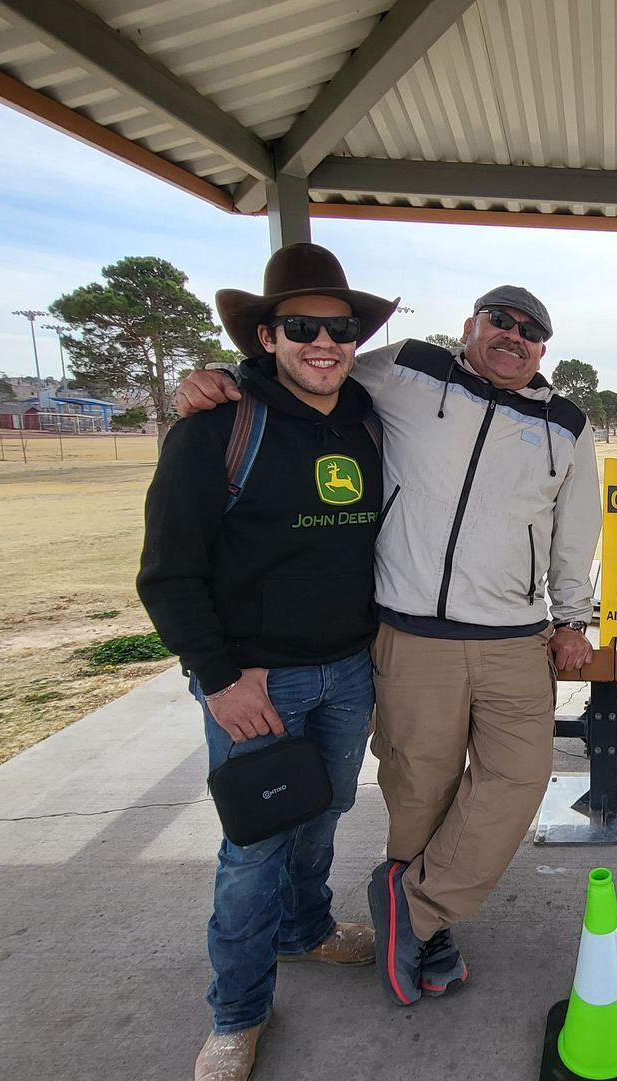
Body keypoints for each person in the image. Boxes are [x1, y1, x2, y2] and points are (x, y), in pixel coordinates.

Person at [173, 282, 599, 1007]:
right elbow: (309, 370)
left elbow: (575, 525)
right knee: (419, 787)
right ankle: (427, 933)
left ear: (542, 350)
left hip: (514, 640)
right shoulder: (407, 368)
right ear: (470, 324)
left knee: (520, 777)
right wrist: (222, 376)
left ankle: (416, 905)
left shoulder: (565, 422)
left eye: (531, 330)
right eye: (500, 319)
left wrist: (573, 617)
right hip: (413, 634)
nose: (513, 335)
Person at [137, 243, 393, 1080]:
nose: (324, 341)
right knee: (252, 847)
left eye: (340, 327)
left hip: (349, 668)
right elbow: (168, 571)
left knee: (322, 815)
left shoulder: (365, 415)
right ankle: (237, 1011)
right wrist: (217, 675)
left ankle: (306, 929)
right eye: (302, 325)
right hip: (257, 681)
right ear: (266, 334)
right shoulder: (215, 427)